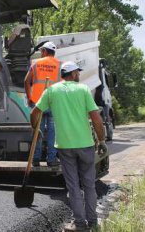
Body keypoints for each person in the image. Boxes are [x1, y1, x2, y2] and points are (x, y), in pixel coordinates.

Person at [30, 61, 108, 231]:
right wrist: (101, 140)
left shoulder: (51, 91)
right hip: (85, 145)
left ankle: (79, 223)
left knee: (73, 186)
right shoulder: (83, 90)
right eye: (77, 73)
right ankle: (93, 221)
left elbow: (34, 113)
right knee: (89, 184)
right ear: (72, 74)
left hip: (64, 147)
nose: (79, 75)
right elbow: (96, 118)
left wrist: (36, 128)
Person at [24, 41, 60, 167]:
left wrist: (29, 97)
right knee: (52, 133)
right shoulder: (60, 65)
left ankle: (35, 159)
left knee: (37, 131)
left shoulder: (36, 64)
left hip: (38, 104)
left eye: (41, 51)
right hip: (53, 104)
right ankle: (51, 159)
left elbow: (26, 81)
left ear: (44, 51)